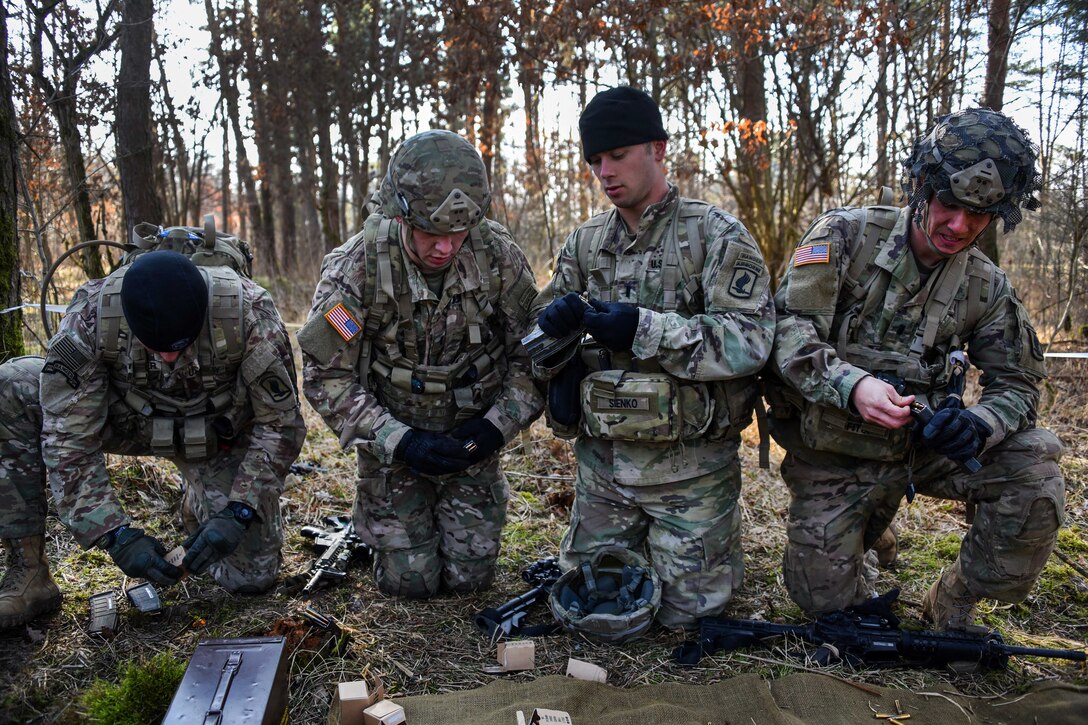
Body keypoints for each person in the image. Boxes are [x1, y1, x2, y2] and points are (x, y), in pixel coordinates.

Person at [765, 108, 1064, 630]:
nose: (960, 226)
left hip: (922, 453)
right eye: (949, 205)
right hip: (834, 452)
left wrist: (978, 425)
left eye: (981, 215)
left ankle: (952, 599)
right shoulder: (845, 238)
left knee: (1036, 468)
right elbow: (786, 335)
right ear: (922, 188)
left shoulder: (986, 286)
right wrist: (852, 386)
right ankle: (870, 526)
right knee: (824, 605)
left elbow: (1016, 383)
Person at [530, 86, 775, 630]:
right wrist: (555, 329)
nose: (605, 172)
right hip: (606, 467)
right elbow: (536, 336)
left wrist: (645, 328)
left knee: (685, 618)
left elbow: (751, 339)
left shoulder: (715, 235)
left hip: (690, 470)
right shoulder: (587, 244)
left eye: (617, 155)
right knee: (591, 606)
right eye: (595, 160)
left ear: (658, 149)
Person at [0, 249, 306, 627]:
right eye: (156, 347)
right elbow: (68, 441)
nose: (169, 358)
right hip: (127, 422)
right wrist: (114, 534)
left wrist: (240, 509)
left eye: (181, 346)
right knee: (12, 386)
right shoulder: (92, 318)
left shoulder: (249, 313)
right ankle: (28, 571)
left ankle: (200, 494)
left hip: (215, 434)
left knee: (250, 578)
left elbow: (281, 423)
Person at [299, 129, 543, 599]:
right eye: (431, 233)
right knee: (409, 585)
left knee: (471, 582)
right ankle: (384, 532)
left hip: (473, 444)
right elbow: (326, 376)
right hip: (394, 453)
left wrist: (494, 429)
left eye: (458, 233)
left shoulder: (497, 255)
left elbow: (532, 355)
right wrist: (400, 441)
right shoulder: (358, 267)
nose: (446, 248)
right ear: (399, 215)